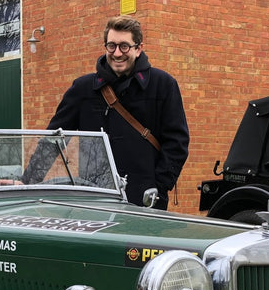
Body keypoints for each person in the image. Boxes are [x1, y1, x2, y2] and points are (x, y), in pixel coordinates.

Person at [25, 15, 189, 209]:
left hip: (146, 201)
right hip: (95, 200)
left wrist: (159, 187)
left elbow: (177, 142)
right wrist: (27, 182)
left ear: (138, 48)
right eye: (111, 46)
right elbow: (53, 140)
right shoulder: (83, 89)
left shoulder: (163, 85)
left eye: (124, 46)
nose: (117, 53)